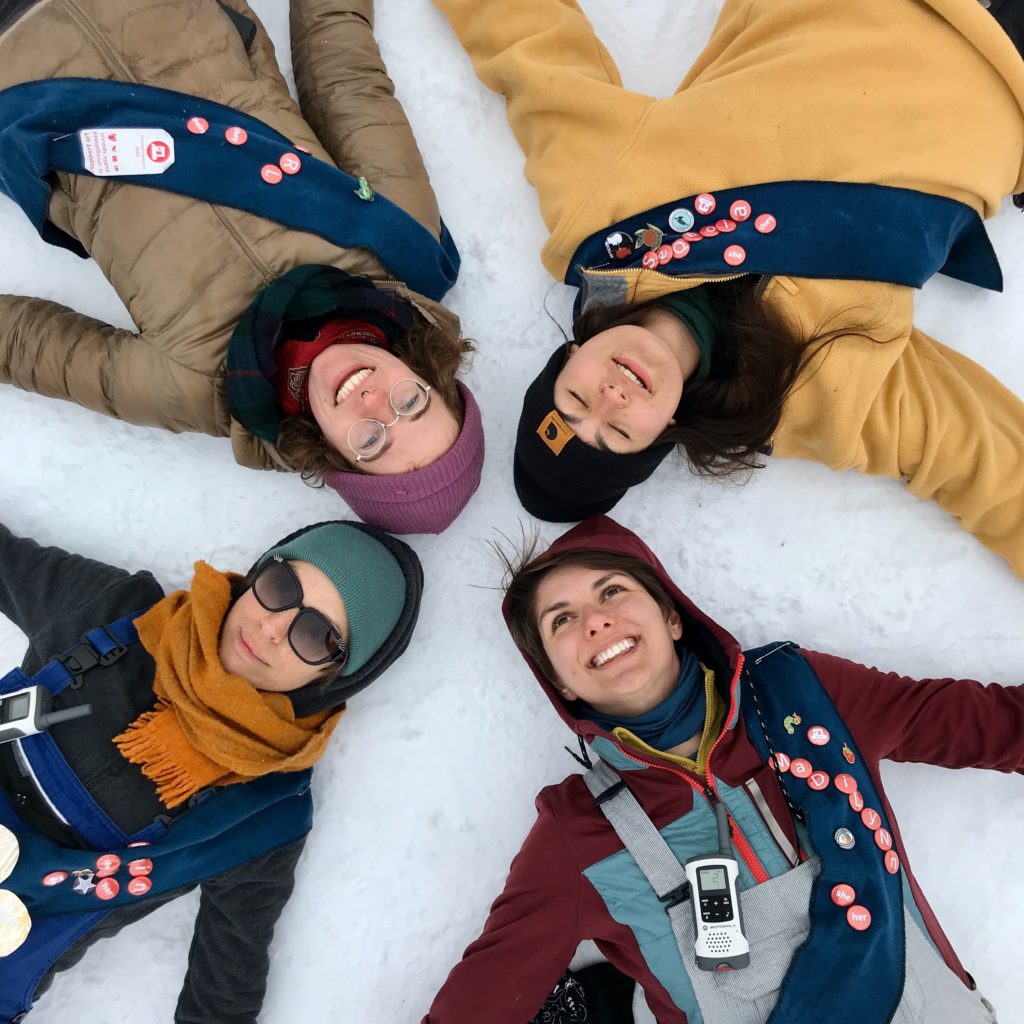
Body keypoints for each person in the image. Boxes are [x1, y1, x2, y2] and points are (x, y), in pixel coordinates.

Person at [431, 0, 1024, 571]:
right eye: (616, 433)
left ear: (569, 356)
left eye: (576, 400)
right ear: (662, 435)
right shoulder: (811, 397)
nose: (610, 399)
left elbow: (528, 47)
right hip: (1010, 79)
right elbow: (988, 464)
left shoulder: (601, 218)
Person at [423, 515, 1021, 1023]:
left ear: (672, 617)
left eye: (611, 592)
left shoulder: (801, 694)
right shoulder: (576, 833)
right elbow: (478, 1001)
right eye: (561, 620)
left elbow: (983, 724)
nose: (596, 622)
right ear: (557, 681)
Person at [0, 0, 485, 534]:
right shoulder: (403, 242)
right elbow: (343, 78)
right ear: (427, 375)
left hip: (19, 78)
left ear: (333, 456)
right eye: (412, 404)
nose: (375, 403)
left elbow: (24, 345)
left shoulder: (196, 386)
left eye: (372, 441)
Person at [0, 517, 422, 1023]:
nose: (271, 627)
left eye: (315, 634)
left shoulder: (264, 813)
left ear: (335, 677)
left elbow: (224, 989)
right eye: (280, 586)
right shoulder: (114, 613)